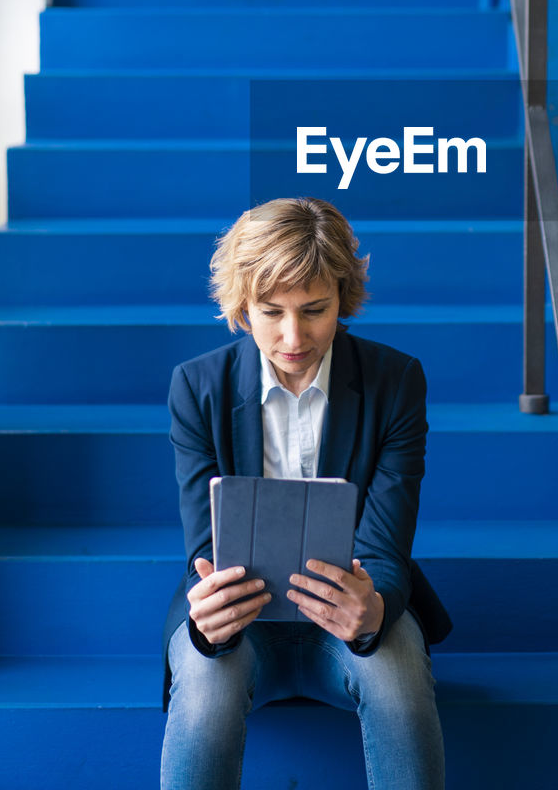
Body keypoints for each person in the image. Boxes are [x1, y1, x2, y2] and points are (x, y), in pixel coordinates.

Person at [160, 196, 449, 790]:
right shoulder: (197, 387)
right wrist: (206, 612)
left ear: (343, 297)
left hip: (351, 615)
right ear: (242, 308)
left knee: (396, 680)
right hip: (242, 623)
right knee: (205, 684)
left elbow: (388, 548)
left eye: (315, 310)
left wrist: (372, 615)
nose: (293, 337)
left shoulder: (396, 382)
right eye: (271, 312)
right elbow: (205, 545)